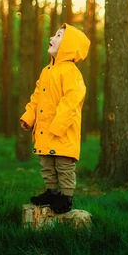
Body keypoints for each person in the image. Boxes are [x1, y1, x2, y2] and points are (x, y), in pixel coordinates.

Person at [20, 22, 90, 214]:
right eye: (54, 35)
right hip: (44, 129)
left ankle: (66, 197)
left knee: (64, 165)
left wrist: (58, 126)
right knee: (47, 164)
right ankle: (52, 192)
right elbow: (36, 97)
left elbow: (72, 101)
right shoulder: (46, 71)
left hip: (62, 130)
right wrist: (29, 117)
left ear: (69, 46)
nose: (51, 38)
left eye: (58, 36)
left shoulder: (71, 73)